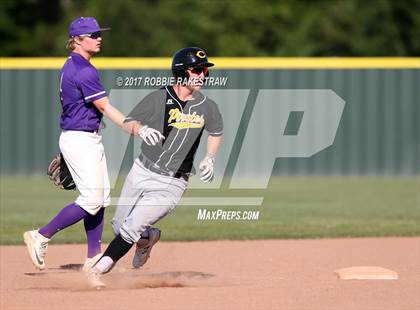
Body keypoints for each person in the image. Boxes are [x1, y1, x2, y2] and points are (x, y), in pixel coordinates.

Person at [87, 47, 223, 288]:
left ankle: (98, 270)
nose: (203, 75)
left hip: (173, 181)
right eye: (198, 70)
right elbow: (128, 122)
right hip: (141, 170)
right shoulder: (159, 98)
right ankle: (148, 238)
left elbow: (216, 131)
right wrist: (141, 129)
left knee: (130, 227)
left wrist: (209, 157)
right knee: (119, 225)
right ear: (181, 72)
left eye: (206, 71)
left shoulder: (207, 106)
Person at [23, 17, 129, 271]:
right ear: (77, 40)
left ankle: (93, 257)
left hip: (87, 136)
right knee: (92, 199)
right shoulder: (83, 69)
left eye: (99, 33)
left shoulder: (74, 64)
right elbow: (103, 106)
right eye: (93, 34)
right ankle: (41, 235)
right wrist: (131, 126)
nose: (99, 37)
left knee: (100, 199)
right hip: (80, 139)